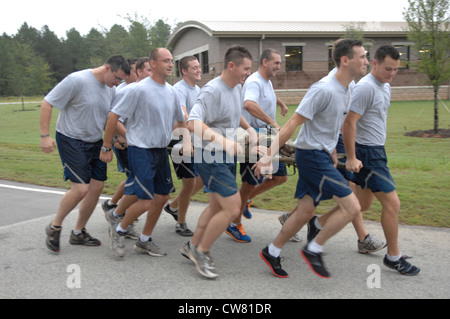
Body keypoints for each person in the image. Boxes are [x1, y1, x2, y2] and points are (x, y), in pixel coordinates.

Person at [254, 39, 369, 278]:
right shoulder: (323, 89)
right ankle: (314, 248)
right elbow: (292, 124)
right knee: (352, 206)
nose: (367, 61)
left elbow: (331, 125)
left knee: (305, 211)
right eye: (363, 56)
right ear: (346, 60)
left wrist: (332, 152)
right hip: (311, 156)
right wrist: (268, 156)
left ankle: (272, 251)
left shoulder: (348, 87)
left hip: (321, 154)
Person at [100, 48, 188, 258]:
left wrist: (186, 140)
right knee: (146, 200)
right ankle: (119, 229)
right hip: (140, 150)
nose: (170, 64)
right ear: (153, 63)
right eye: (165, 60)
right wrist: (106, 146)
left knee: (162, 197)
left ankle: (144, 240)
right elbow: (113, 117)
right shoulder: (138, 90)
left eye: (171, 61)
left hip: (160, 150)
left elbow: (180, 119)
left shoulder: (172, 92)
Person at [180, 45, 257, 279]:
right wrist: (226, 143)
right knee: (233, 207)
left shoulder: (234, 87)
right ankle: (201, 252)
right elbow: (193, 122)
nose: (248, 73)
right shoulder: (211, 90)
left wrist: (248, 128)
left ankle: (192, 245)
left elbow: (232, 112)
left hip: (225, 155)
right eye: (245, 69)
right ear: (231, 66)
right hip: (211, 155)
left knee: (216, 206)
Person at [343, 44, 420, 276]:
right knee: (392, 203)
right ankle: (393, 257)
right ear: (374, 63)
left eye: (396, 69)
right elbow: (349, 123)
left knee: (362, 205)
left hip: (376, 151)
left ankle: (315, 224)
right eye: (388, 68)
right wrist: (351, 156)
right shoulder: (365, 88)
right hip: (367, 153)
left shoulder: (385, 86)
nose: (392, 74)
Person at [41, 55, 130, 253]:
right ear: (107, 67)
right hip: (71, 138)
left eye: (121, 81)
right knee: (81, 189)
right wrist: (45, 136)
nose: (117, 83)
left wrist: (119, 138)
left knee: (96, 188)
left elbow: (110, 117)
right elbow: (48, 103)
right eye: (116, 78)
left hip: (94, 141)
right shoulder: (77, 80)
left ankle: (78, 232)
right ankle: (54, 227)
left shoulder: (112, 89)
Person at [226, 48, 289, 243]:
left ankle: (243, 202)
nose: (279, 66)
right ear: (264, 62)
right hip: (254, 138)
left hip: (268, 137)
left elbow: (267, 95)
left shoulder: (266, 81)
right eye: (276, 63)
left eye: (279, 63)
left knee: (280, 177)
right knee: (249, 182)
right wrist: (271, 121)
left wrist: (280, 102)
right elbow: (249, 104)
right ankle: (234, 223)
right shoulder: (254, 81)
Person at [102, 57, 152, 239]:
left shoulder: (146, 91)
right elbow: (113, 119)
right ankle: (118, 213)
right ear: (136, 72)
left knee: (134, 180)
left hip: (140, 144)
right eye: (131, 71)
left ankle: (114, 207)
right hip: (126, 144)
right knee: (136, 181)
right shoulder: (124, 91)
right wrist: (120, 138)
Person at [164, 56, 204, 236]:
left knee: (203, 177)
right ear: (184, 71)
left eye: (199, 66)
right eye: (194, 67)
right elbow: (184, 117)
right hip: (179, 138)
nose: (198, 70)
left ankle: (173, 206)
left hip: (196, 139)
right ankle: (181, 222)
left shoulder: (199, 89)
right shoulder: (178, 90)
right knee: (190, 181)